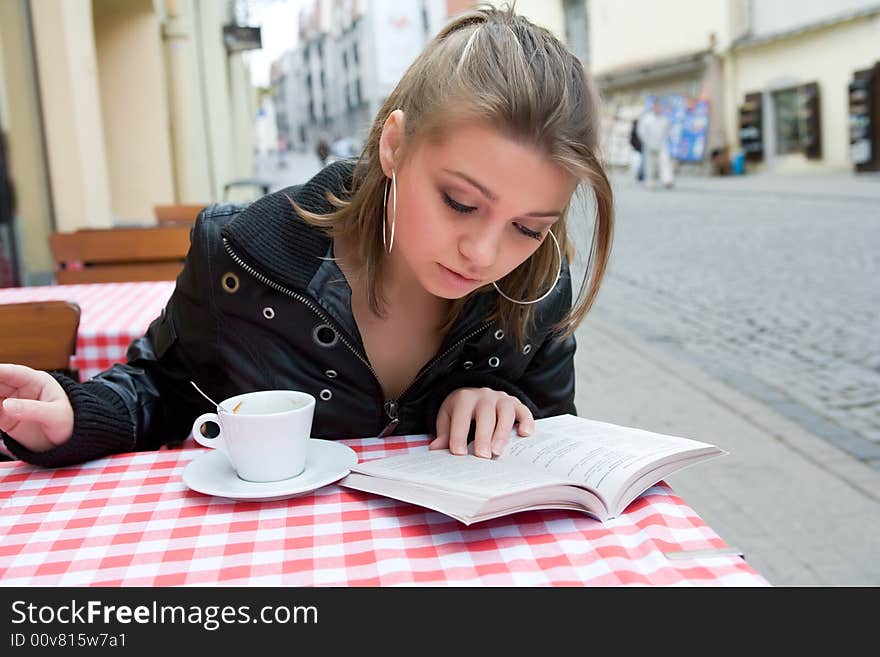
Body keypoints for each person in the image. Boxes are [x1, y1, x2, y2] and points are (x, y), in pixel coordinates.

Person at [0, 5, 614, 469]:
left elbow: (556, 439)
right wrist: (77, 416)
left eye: (529, 228)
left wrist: (508, 405)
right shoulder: (244, 256)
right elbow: (163, 386)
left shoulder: (536, 283)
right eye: (459, 202)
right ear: (394, 146)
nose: (484, 253)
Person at [636, 100, 674, 188]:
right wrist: (645, 141)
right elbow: (641, 131)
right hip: (648, 144)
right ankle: (649, 181)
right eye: (656, 107)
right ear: (653, 107)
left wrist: (665, 138)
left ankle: (667, 180)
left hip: (661, 144)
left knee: (665, 161)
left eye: (660, 107)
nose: (658, 109)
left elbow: (668, 130)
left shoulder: (664, 119)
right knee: (649, 164)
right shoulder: (647, 118)